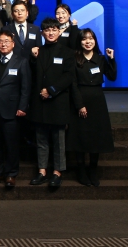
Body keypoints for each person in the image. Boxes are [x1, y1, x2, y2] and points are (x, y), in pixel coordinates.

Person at [28, 18, 76, 188]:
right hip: (39, 102)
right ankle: (42, 171)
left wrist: (51, 90)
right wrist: (33, 58)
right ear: (42, 33)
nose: (50, 33)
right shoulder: (37, 51)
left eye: (54, 30)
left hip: (57, 101)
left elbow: (69, 76)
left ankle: (57, 172)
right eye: (47, 30)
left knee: (59, 141)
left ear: (59, 31)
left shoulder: (67, 52)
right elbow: (32, 75)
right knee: (41, 140)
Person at [67, 28, 117, 187]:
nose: (88, 42)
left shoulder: (100, 58)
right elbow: (73, 84)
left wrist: (111, 59)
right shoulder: (74, 58)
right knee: (80, 137)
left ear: (95, 41)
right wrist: (79, 105)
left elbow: (112, 77)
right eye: (84, 39)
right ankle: (81, 171)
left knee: (97, 137)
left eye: (91, 39)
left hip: (97, 101)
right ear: (80, 42)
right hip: (80, 99)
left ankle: (93, 170)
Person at [0, 30, 30, 188]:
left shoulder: (21, 61)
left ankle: (11, 174)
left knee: (11, 144)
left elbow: (26, 87)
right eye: (0, 41)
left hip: (12, 109)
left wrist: (22, 106)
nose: (3, 44)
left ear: (13, 44)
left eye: (6, 41)